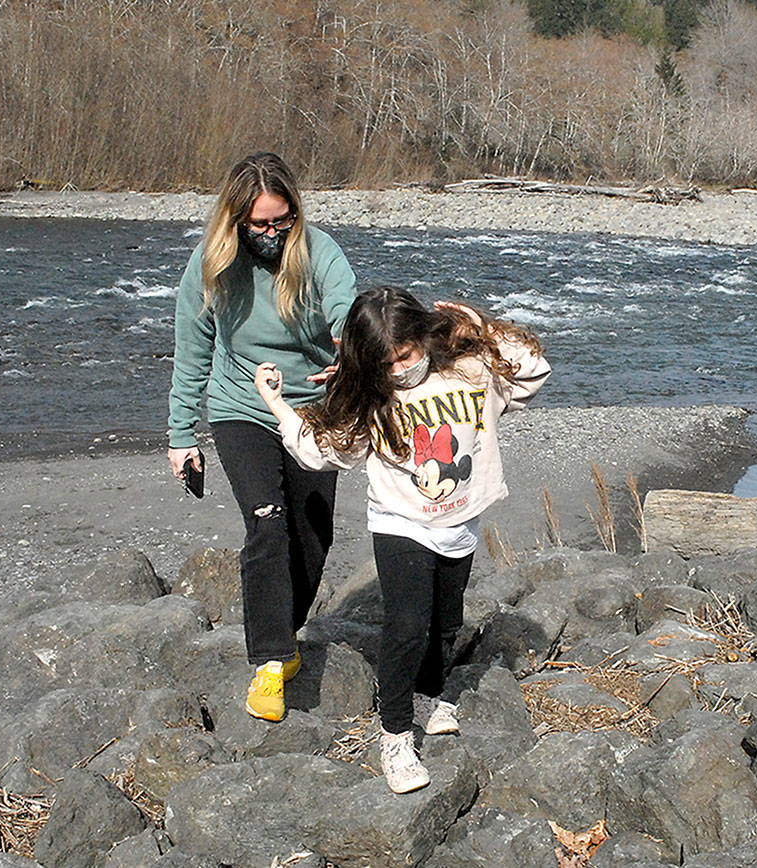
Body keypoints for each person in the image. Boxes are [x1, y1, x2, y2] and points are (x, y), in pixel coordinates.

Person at [252, 286, 549, 793]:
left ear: (422, 338)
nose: (398, 370)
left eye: (405, 356)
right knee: (408, 626)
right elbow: (323, 450)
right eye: (384, 363)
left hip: (460, 521)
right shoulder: (372, 394)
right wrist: (276, 405)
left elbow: (532, 372)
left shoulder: (471, 370)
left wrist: (483, 327)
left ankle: (431, 695)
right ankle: (394, 736)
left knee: (446, 621)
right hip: (400, 521)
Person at [167, 152, 356, 723]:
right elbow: (192, 354)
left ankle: (287, 633)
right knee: (267, 522)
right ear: (236, 220)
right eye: (260, 224)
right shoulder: (211, 266)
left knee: (312, 536)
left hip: (315, 410)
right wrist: (181, 435)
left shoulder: (319, 251)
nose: (273, 234)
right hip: (242, 406)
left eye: (282, 220)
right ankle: (270, 662)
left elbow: (350, 313)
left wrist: (352, 359)